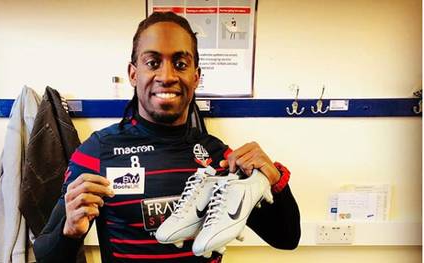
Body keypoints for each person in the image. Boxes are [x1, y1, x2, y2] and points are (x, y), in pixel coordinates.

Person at [33, 11, 300, 263]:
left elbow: (286, 238)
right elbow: (47, 256)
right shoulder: (97, 152)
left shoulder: (219, 159)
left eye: (180, 64)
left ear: (195, 78)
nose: (167, 76)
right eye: (153, 63)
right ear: (133, 74)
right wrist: (69, 231)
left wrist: (274, 180)